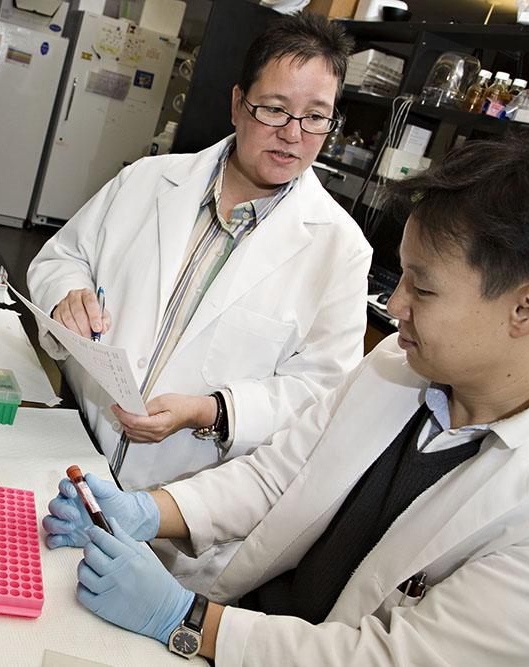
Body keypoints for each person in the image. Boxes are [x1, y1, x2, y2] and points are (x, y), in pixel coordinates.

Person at [42, 135, 529, 665]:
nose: (393, 306)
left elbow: (394, 660)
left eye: (424, 289)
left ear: (528, 309)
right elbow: (278, 474)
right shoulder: (398, 367)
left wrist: (187, 620)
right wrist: (148, 511)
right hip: (244, 626)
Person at [26, 15, 372, 497]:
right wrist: (68, 296)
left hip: (184, 495)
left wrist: (209, 411)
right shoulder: (147, 181)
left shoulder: (341, 250)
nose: (293, 134)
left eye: (316, 116)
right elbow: (61, 257)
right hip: (71, 445)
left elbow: (319, 392)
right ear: (237, 104)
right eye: (274, 108)